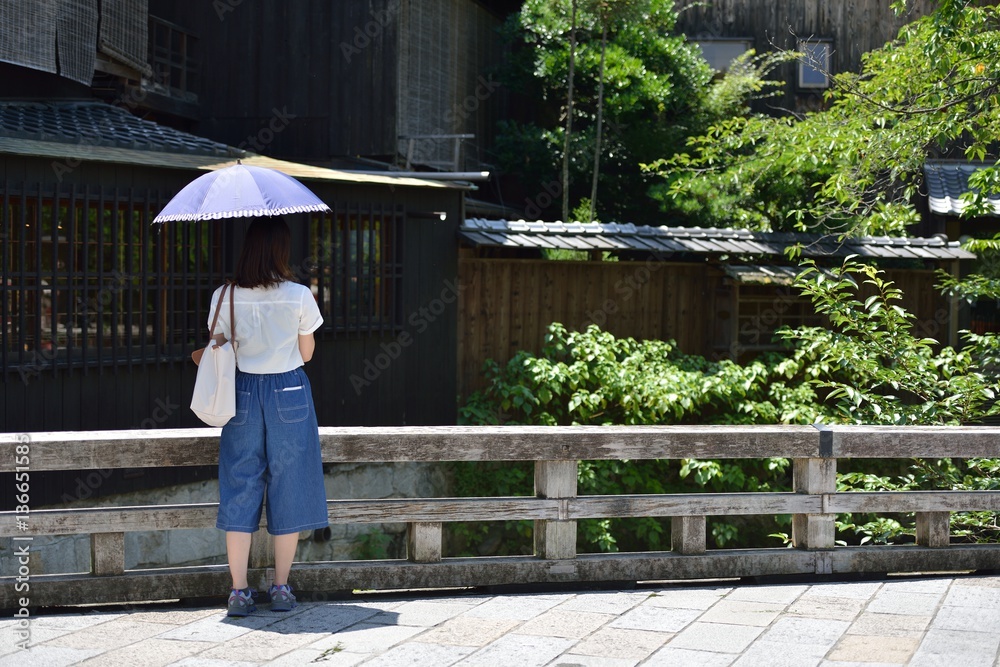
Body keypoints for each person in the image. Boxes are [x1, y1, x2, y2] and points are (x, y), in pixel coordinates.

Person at [209, 216, 328, 617]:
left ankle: (239, 592)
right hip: (289, 391)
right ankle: (280, 587)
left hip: (241, 391)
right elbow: (308, 355)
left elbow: (217, 348)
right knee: (289, 483)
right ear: (281, 250)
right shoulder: (298, 295)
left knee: (240, 483)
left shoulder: (225, 295)